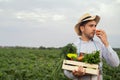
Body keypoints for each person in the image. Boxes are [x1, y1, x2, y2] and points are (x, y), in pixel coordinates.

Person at [64, 13, 120, 80]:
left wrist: (106, 43)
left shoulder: (100, 45)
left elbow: (115, 63)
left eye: (95, 26)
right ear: (82, 28)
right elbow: (66, 71)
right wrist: (74, 74)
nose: (94, 29)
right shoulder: (74, 46)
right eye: (91, 26)